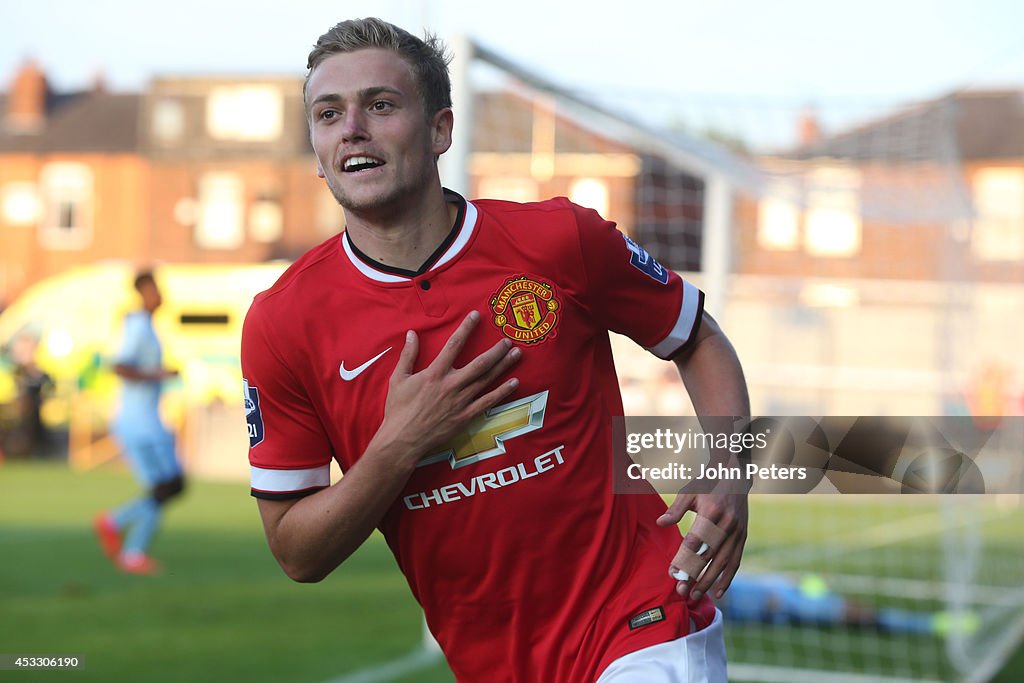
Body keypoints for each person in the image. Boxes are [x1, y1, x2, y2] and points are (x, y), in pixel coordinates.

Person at [241, 17, 750, 683]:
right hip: (492, 659)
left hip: (642, 617)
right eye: (328, 113)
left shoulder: (557, 240)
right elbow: (296, 551)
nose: (352, 128)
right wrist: (398, 444)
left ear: (441, 130)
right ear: (316, 148)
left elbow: (698, 337)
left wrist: (730, 466)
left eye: (381, 105)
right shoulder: (283, 324)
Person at [94, 270, 186, 575]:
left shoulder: (147, 325)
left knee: (168, 486)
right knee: (168, 486)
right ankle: (124, 538)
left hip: (149, 419)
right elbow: (119, 366)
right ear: (144, 291)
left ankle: (124, 539)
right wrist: (159, 375)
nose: (161, 295)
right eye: (155, 289)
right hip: (138, 422)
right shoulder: (136, 326)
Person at [719, 572, 979, 637]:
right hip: (773, 599)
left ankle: (926, 623)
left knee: (840, 612)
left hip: (776, 592)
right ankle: (930, 624)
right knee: (841, 613)